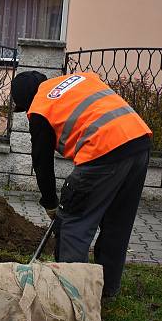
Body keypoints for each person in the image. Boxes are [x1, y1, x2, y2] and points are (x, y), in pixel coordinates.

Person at [10, 71, 152, 299]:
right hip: (139, 142)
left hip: (103, 151)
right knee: (117, 225)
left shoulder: (39, 108)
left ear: (26, 100)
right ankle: (106, 293)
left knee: (73, 223)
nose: (27, 112)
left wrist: (51, 204)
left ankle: (71, 297)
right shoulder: (80, 79)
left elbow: (42, 162)